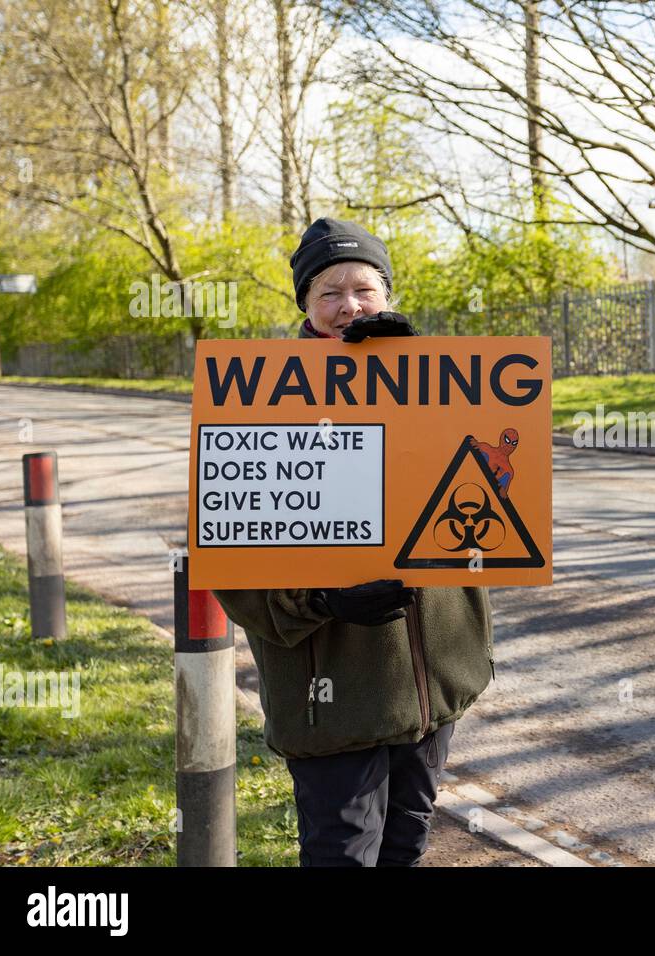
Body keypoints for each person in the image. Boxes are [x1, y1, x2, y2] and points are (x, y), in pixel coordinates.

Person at [213, 217, 495, 867]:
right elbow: (228, 557)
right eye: (329, 292)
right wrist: (325, 598)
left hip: (432, 688)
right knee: (343, 855)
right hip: (333, 697)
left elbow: (498, 494)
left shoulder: (444, 381)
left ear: (388, 295)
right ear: (306, 307)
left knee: (406, 846)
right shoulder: (257, 399)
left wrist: (411, 373)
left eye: (364, 288)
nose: (349, 306)